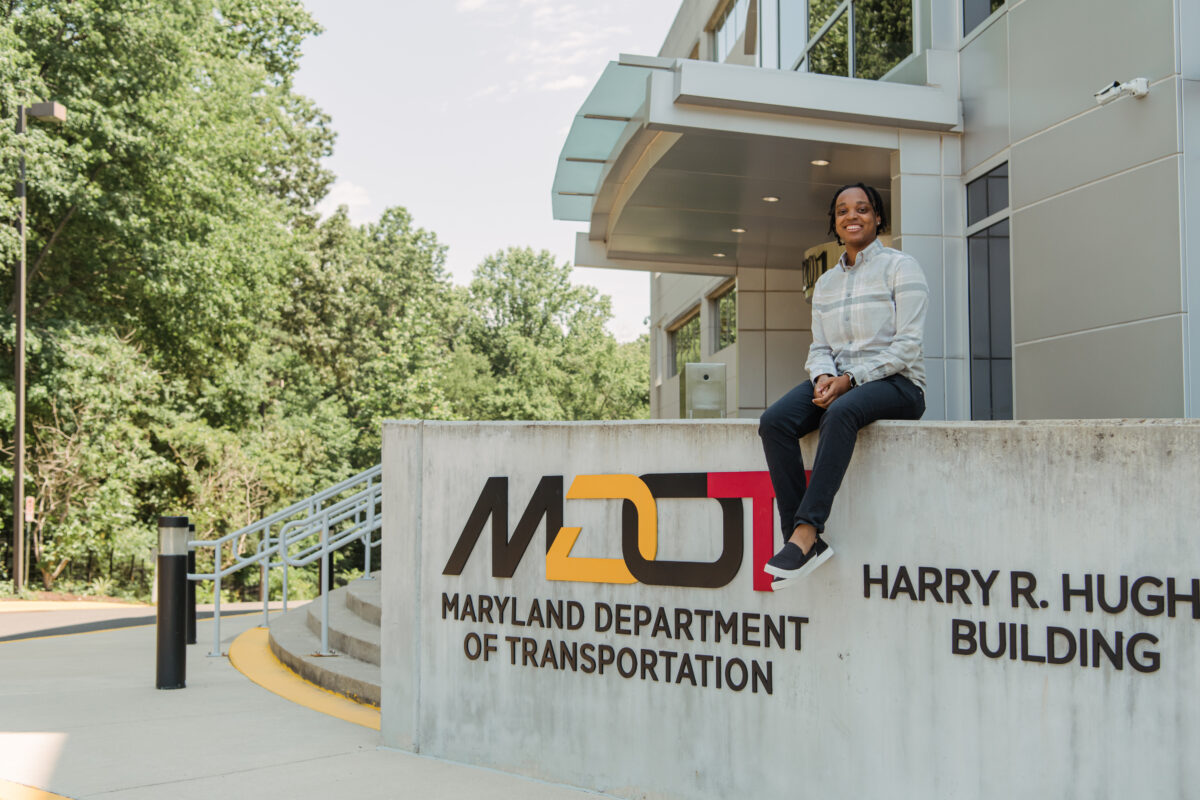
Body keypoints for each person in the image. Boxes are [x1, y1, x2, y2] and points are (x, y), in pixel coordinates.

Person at [758, 183, 928, 590]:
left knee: (841, 411)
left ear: (878, 217)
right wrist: (822, 378)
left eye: (862, 209)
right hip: (839, 380)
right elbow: (820, 347)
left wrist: (850, 380)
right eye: (842, 211)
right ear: (834, 222)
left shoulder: (902, 268)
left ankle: (805, 533)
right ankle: (802, 543)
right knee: (774, 421)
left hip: (898, 383)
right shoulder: (826, 285)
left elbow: (907, 347)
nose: (852, 216)